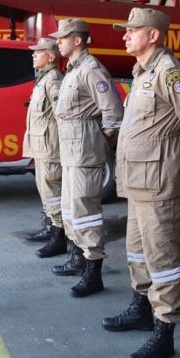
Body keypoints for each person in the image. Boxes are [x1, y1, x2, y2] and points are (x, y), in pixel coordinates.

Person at [102, 7, 180, 358]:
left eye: (133, 30)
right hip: (136, 182)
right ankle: (141, 309)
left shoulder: (169, 72)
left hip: (159, 183)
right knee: (136, 251)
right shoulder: (142, 72)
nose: (125, 35)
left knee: (162, 259)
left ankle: (165, 331)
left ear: (154, 35)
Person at [50, 18, 123, 297]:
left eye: (63, 37)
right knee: (70, 210)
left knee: (86, 212)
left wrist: (101, 142)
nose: (58, 41)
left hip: (84, 151)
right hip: (70, 152)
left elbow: (112, 112)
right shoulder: (72, 69)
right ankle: (78, 258)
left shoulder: (92, 70)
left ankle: (94, 273)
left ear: (77, 40)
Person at [22, 38, 66, 258]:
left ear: (50, 56)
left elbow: (61, 114)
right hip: (41, 146)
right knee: (46, 191)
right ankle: (51, 228)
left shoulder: (53, 80)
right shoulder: (43, 79)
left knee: (54, 193)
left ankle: (59, 238)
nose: (33, 55)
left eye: (38, 52)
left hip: (50, 148)